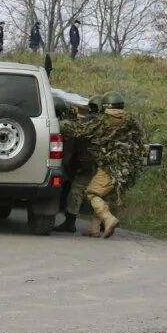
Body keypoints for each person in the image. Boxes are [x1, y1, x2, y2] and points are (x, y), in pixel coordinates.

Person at [64, 91, 144, 238]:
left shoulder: (103, 120)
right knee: (103, 194)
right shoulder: (132, 120)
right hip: (130, 170)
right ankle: (94, 229)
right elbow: (140, 141)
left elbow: (79, 131)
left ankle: (108, 219)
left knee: (92, 192)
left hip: (111, 166)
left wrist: (63, 123)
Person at [55, 99, 97, 233]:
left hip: (80, 164)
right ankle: (101, 222)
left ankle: (70, 222)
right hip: (86, 163)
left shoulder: (63, 124)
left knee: (75, 192)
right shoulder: (90, 124)